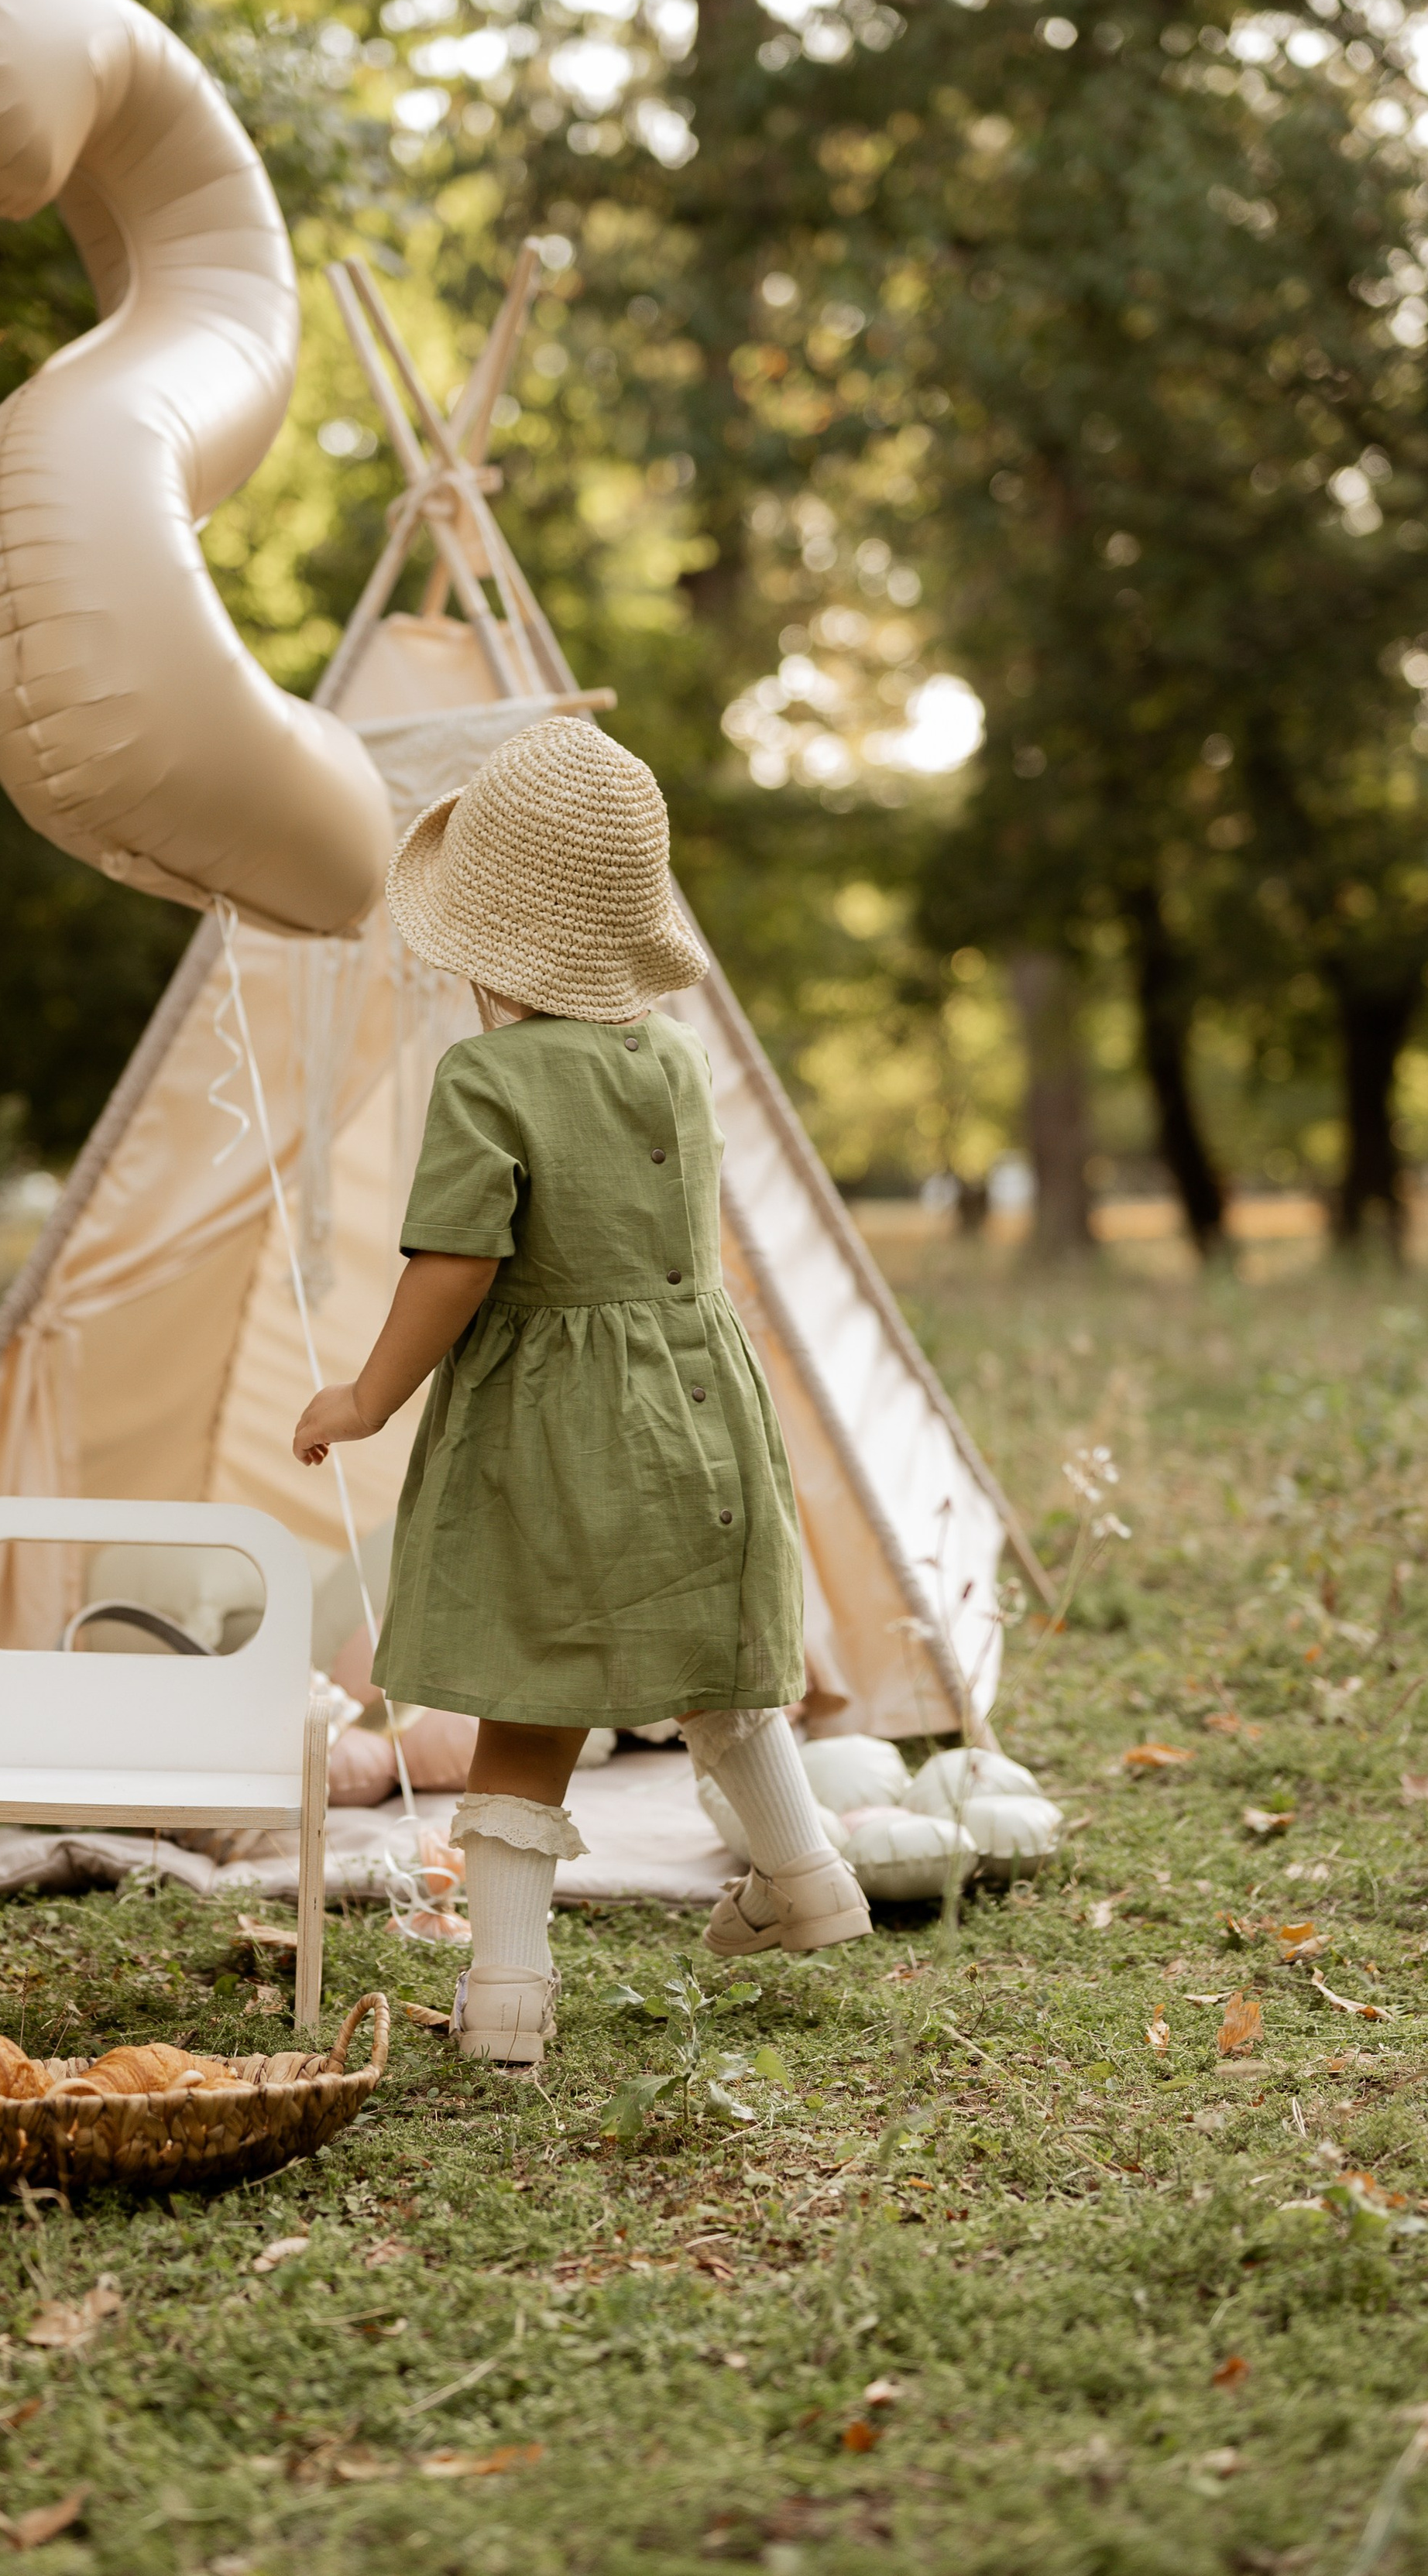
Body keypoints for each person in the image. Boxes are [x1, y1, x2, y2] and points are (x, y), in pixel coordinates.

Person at [293, 717, 870, 2067]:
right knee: (711, 1657)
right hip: (696, 1397)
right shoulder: (672, 1057)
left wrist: (367, 1397)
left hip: (553, 1425)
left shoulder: (488, 1077)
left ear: (488, 933)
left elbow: (455, 1267)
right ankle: (807, 1878)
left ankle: (505, 1996)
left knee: (531, 1687)